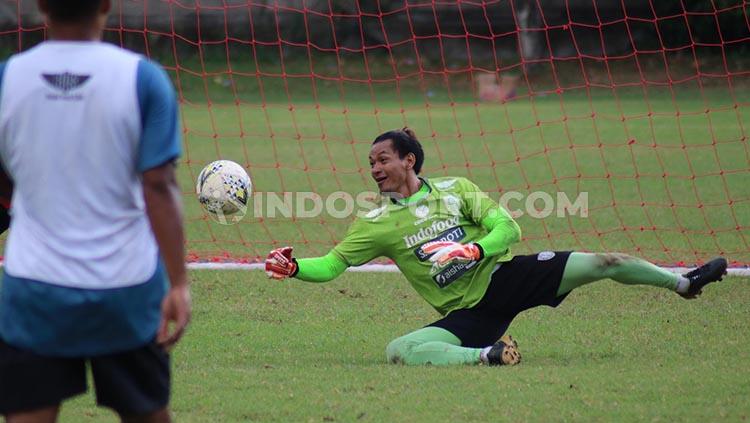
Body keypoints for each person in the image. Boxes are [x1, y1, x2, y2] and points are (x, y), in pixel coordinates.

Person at [265, 127, 728, 367]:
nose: (375, 169)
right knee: (399, 350)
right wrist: (294, 268)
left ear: (408, 160)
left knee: (608, 261)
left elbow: (508, 228)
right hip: (470, 315)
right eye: (370, 163)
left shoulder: (455, 189)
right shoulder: (376, 223)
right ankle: (487, 356)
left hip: (507, 278)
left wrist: (472, 251)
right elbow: (331, 264)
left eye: (383, 159)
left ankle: (684, 282)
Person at [0, 0, 191, 422]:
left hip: (34, 287)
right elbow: (158, 186)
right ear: (106, 5)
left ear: (41, 6)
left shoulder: (7, 77)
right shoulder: (143, 78)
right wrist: (178, 283)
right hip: (126, 287)